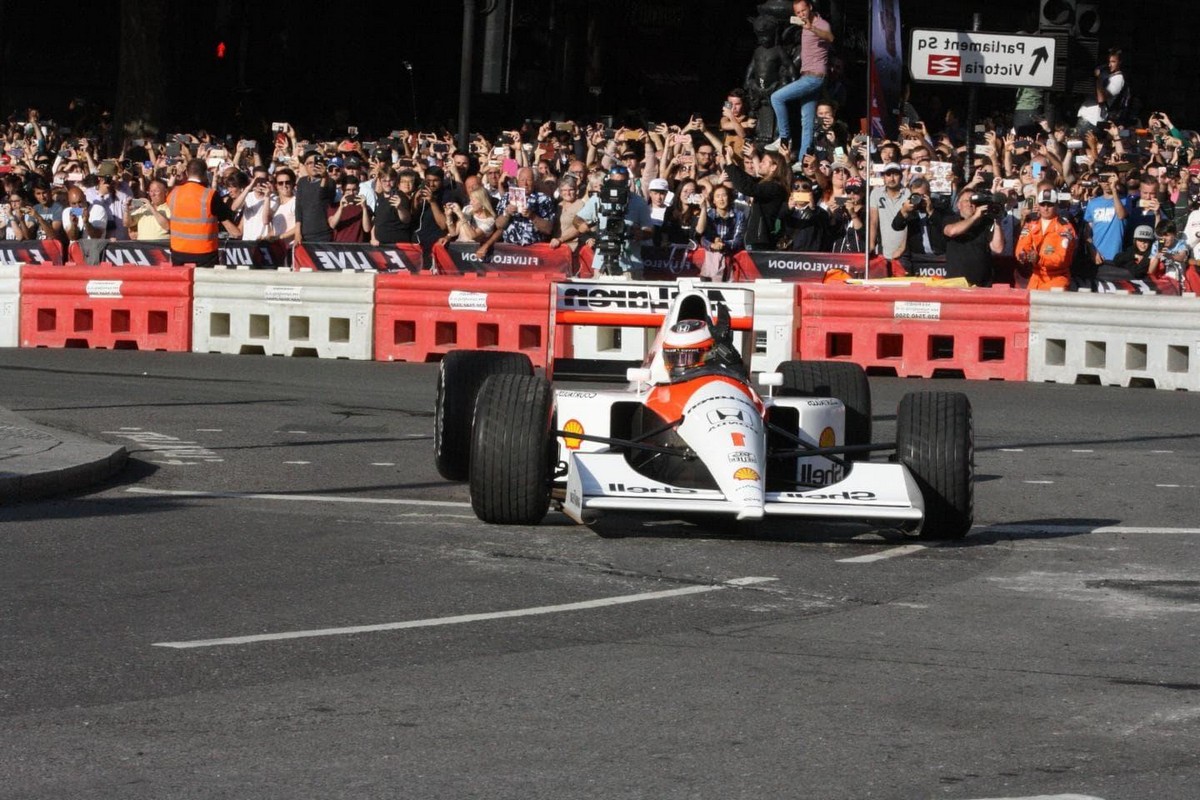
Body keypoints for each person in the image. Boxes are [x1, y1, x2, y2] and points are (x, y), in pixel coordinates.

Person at [767, 0, 834, 160]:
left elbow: (830, 37)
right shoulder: (803, 24)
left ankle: (784, 138)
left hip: (814, 77)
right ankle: (803, 161)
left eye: (803, 10)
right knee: (807, 122)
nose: (801, 14)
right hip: (807, 75)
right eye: (798, 12)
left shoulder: (821, 24)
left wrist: (813, 28)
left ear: (810, 7)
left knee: (776, 97)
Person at [573, 165, 653, 275]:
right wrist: (581, 225)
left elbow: (649, 230)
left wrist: (641, 234)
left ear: (628, 182)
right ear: (608, 180)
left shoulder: (639, 202)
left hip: (630, 262)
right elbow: (577, 219)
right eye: (614, 182)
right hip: (602, 260)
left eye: (621, 182)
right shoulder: (598, 198)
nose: (617, 185)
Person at [166, 158, 239, 266]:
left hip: (178, 251)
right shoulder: (210, 195)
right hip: (204, 252)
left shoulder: (174, 193)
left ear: (186, 172)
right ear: (205, 173)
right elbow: (226, 216)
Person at [722, 150, 790, 250]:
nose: (759, 164)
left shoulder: (774, 187)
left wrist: (730, 162)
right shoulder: (764, 183)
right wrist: (729, 161)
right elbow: (746, 179)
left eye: (763, 162)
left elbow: (747, 187)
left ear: (773, 167)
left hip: (761, 240)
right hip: (755, 239)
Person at [1015, 185, 1079, 290]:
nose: (1045, 207)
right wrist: (1022, 255)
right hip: (1036, 276)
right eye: (1042, 204)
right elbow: (1022, 244)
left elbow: (1061, 258)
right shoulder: (1031, 224)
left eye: (1049, 204)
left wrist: (1039, 259)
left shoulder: (1065, 228)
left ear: (1056, 205)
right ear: (1038, 205)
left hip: (1057, 278)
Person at [942, 188, 1005, 286]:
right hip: (956, 283)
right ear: (959, 205)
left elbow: (998, 249)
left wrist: (997, 222)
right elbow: (951, 231)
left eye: (973, 201)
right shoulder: (951, 219)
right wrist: (975, 217)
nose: (970, 204)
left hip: (982, 284)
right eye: (967, 201)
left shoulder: (986, 222)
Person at [1076, 49, 1129, 133]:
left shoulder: (1118, 78)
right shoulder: (1107, 75)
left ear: (1120, 62)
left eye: (1113, 62)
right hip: (1085, 117)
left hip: (1092, 120)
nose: (1109, 65)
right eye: (1108, 61)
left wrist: (1098, 79)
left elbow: (1101, 99)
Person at [1082, 172, 1127, 264]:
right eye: (1103, 179)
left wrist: (1114, 189)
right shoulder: (1093, 203)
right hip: (1097, 256)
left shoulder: (1125, 200)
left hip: (1117, 257)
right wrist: (1092, 250)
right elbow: (1087, 232)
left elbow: (1121, 215)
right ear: (1099, 181)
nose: (1106, 182)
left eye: (1109, 179)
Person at [868, 162, 909, 260]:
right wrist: (871, 244)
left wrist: (902, 248)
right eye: (888, 174)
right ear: (883, 177)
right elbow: (873, 221)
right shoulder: (876, 193)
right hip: (883, 250)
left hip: (904, 252)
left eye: (895, 174)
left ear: (901, 176)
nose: (892, 178)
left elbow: (910, 224)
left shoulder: (908, 193)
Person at [295, 150, 336, 243]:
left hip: (323, 234)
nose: (313, 165)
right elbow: (298, 207)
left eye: (316, 162)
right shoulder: (302, 182)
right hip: (304, 234)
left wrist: (324, 177)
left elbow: (321, 195)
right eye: (309, 163)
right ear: (304, 166)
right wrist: (297, 232)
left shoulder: (330, 182)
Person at [327, 174, 371, 243]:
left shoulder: (365, 207)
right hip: (339, 247)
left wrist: (364, 208)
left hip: (358, 248)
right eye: (348, 190)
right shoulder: (335, 206)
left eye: (354, 190)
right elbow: (332, 225)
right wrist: (341, 208)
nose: (351, 193)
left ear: (358, 189)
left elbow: (367, 229)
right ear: (342, 190)